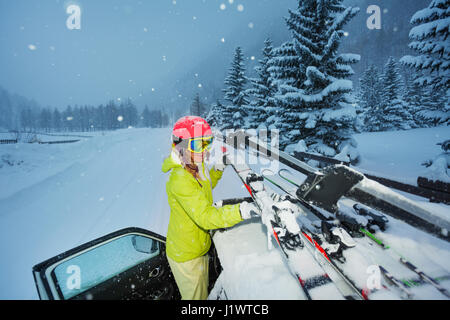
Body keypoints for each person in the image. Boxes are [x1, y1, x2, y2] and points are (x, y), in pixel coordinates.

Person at [161, 116, 258, 300]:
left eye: (208, 142)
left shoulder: (196, 164)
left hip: (199, 247)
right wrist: (241, 211)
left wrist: (218, 169)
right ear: (182, 147)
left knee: (205, 291)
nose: (205, 150)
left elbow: (205, 187)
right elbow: (205, 216)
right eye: (199, 145)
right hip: (187, 256)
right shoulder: (180, 179)